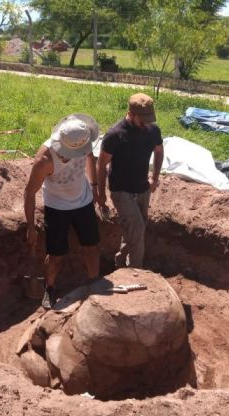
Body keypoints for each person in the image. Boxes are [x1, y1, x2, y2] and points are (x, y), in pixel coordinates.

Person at [24, 114, 100, 309]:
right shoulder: (45, 160)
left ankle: (94, 284)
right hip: (57, 207)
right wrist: (31, 227)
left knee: (91, 247)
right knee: (56, 255)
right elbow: (30, 192)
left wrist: (94, 185)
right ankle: (49, 288)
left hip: (84, 202)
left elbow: (90, 158)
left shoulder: (83, 142)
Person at [97, 93, 164, 268]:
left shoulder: (152, 130)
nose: (146, 124)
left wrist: (155, 177)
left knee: (134, 232)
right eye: (143, 120)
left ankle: (120, 263)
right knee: (138, 230)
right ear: (131, 113)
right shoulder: (115, 134)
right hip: (121, 190)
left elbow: (159, 150)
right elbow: (101, 163)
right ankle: (136, 271)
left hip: (143, 188)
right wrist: (101, 194)